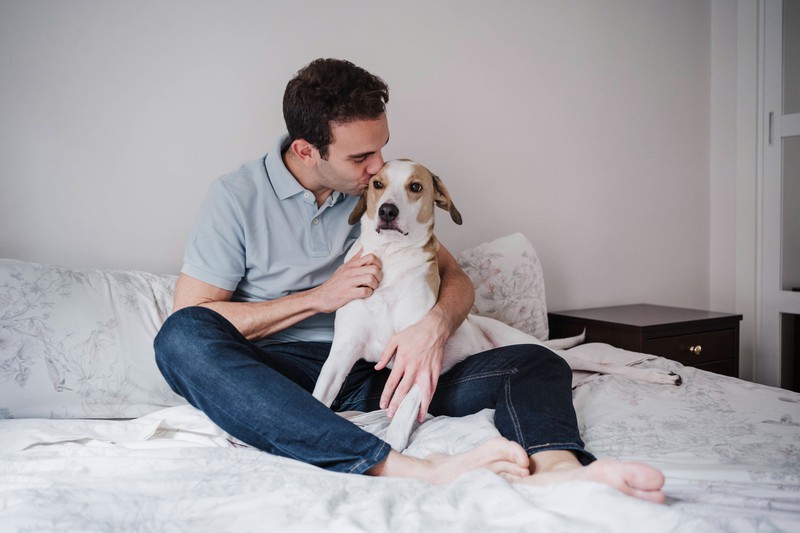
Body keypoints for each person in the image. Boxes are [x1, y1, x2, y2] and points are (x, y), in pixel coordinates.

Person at [154, 58, 665, 501]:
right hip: (282, 372)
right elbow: (196, 317)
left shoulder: (385, 195)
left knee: (533, 361)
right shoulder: (236, 198)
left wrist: (434, 327)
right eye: (360, 158)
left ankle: (558, 470)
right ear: (308, 150)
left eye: (382, 149)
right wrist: (317, 299)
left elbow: (454, 278)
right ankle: (406, 467)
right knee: (180, 340)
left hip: (391, 372)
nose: (377, 167)